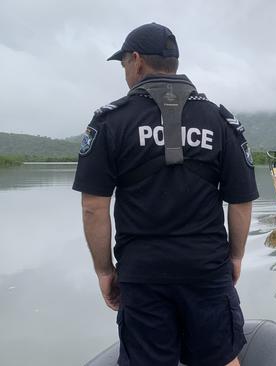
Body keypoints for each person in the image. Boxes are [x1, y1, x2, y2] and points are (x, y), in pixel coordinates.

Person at [72, 23, 258, 366]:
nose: (125, 71)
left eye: (124, 63)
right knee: (222, 360)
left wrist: (104, 271)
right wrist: (234, 257)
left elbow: (93, 208)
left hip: (143, 273)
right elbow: (241, 200)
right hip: (207, 267)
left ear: (137, 61)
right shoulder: (219, 120)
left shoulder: (111, 122)